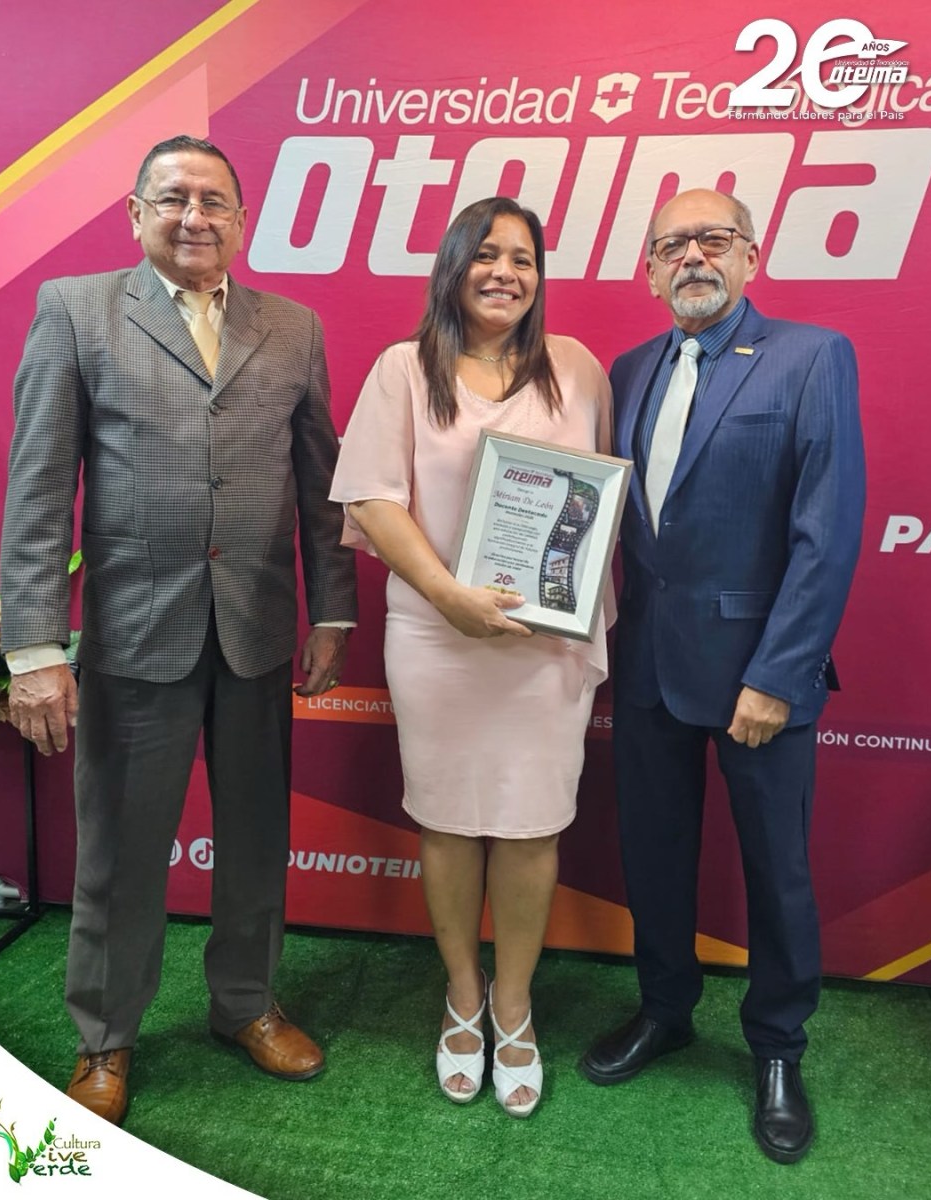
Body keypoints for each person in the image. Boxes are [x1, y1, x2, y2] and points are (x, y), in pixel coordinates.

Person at [0, 135, 357, 1125]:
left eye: (213, 201)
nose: (194, 216)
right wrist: (35, 649)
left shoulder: (293, 327)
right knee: (120, 849)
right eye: (173, 198)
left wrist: (331, 608)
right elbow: (39, 488)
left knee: (256, 836)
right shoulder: (77, 310)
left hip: (257, 631)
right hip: (133, 636)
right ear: (136, 212)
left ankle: (245, 1004)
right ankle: (105, 1036)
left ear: (241, 219)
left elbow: (322, 486)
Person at [581, 189, 865, 1163]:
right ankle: (665, 1010)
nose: (692, 257)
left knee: (777, 873)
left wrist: (779, 674)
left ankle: (779, 1046)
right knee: (654, 856)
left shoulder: (811, 357)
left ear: (750, 255)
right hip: (649, 668)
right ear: (649, 271)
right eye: (672, 245)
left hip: (760, 679)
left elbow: (826, 533)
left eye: (713, 239)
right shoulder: (630, 370)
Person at [330, 197, 613, 1118]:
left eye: (522, 259)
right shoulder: (403, 369)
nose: (504, 273)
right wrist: (450, 595)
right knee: (449, 821)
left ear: (540, 276)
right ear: (454, 266)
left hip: (544, 650)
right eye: (486, 254)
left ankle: (514, 1006)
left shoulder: (577, 368)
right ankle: (462, 995)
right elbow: (373, 500)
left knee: (531, 827)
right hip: (436, 637)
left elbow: (598, 499)